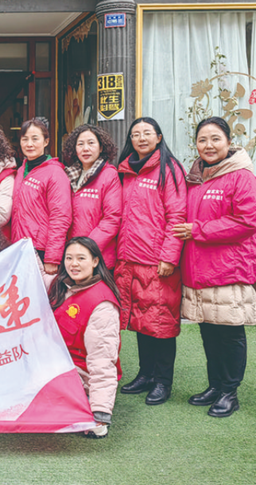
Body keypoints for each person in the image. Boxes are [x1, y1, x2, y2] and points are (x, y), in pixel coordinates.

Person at [174, 117, 256, 417]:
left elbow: (248, 221)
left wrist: (198, 230)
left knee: (229, 333)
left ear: (228, 142)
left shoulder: (241, 177)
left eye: (215, 139)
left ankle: (230, 392)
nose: (208, 145)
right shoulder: (196, 178)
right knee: (209, 331)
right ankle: (215, 385)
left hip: (228, 269)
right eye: (202, 140)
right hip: (198, 268)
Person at [116, 117, 187, 406]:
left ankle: (162, 381)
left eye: (147, 133)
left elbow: (177, 215)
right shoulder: (125, 170)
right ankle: (145, 375)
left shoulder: (169, 169)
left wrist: (169, 256)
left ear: (159, 137)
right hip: (128, 259)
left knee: (161, 323)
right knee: (140, 320)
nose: (141, 138)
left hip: (157, 261)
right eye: (136, 134)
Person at [48, 237, 121, 439]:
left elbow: (102, 362)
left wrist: (100, 413)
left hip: (78, 375)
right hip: (56, 363)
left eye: (81, 258)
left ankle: (87, 404)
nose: (74, 264)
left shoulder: (102, 305)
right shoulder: (62, 286)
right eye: (69, 258)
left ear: (95, 261)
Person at [11, 117, 72, 275]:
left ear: (46, 142)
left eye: (35, 139)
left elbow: (60, 217)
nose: (29, 144)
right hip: (20, 246)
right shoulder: (21, 170)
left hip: (41, 249)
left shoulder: (55, 173)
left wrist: (52, 257)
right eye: (25, 139)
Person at [61, 124, 122, 270]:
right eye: (80, 144)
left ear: (101, 148)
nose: (85, 149)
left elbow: (112, 219)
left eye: (91, 143)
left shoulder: (109, 175)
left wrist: (87, 248)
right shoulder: (68, 175)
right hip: (71, 256)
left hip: (97, 256)